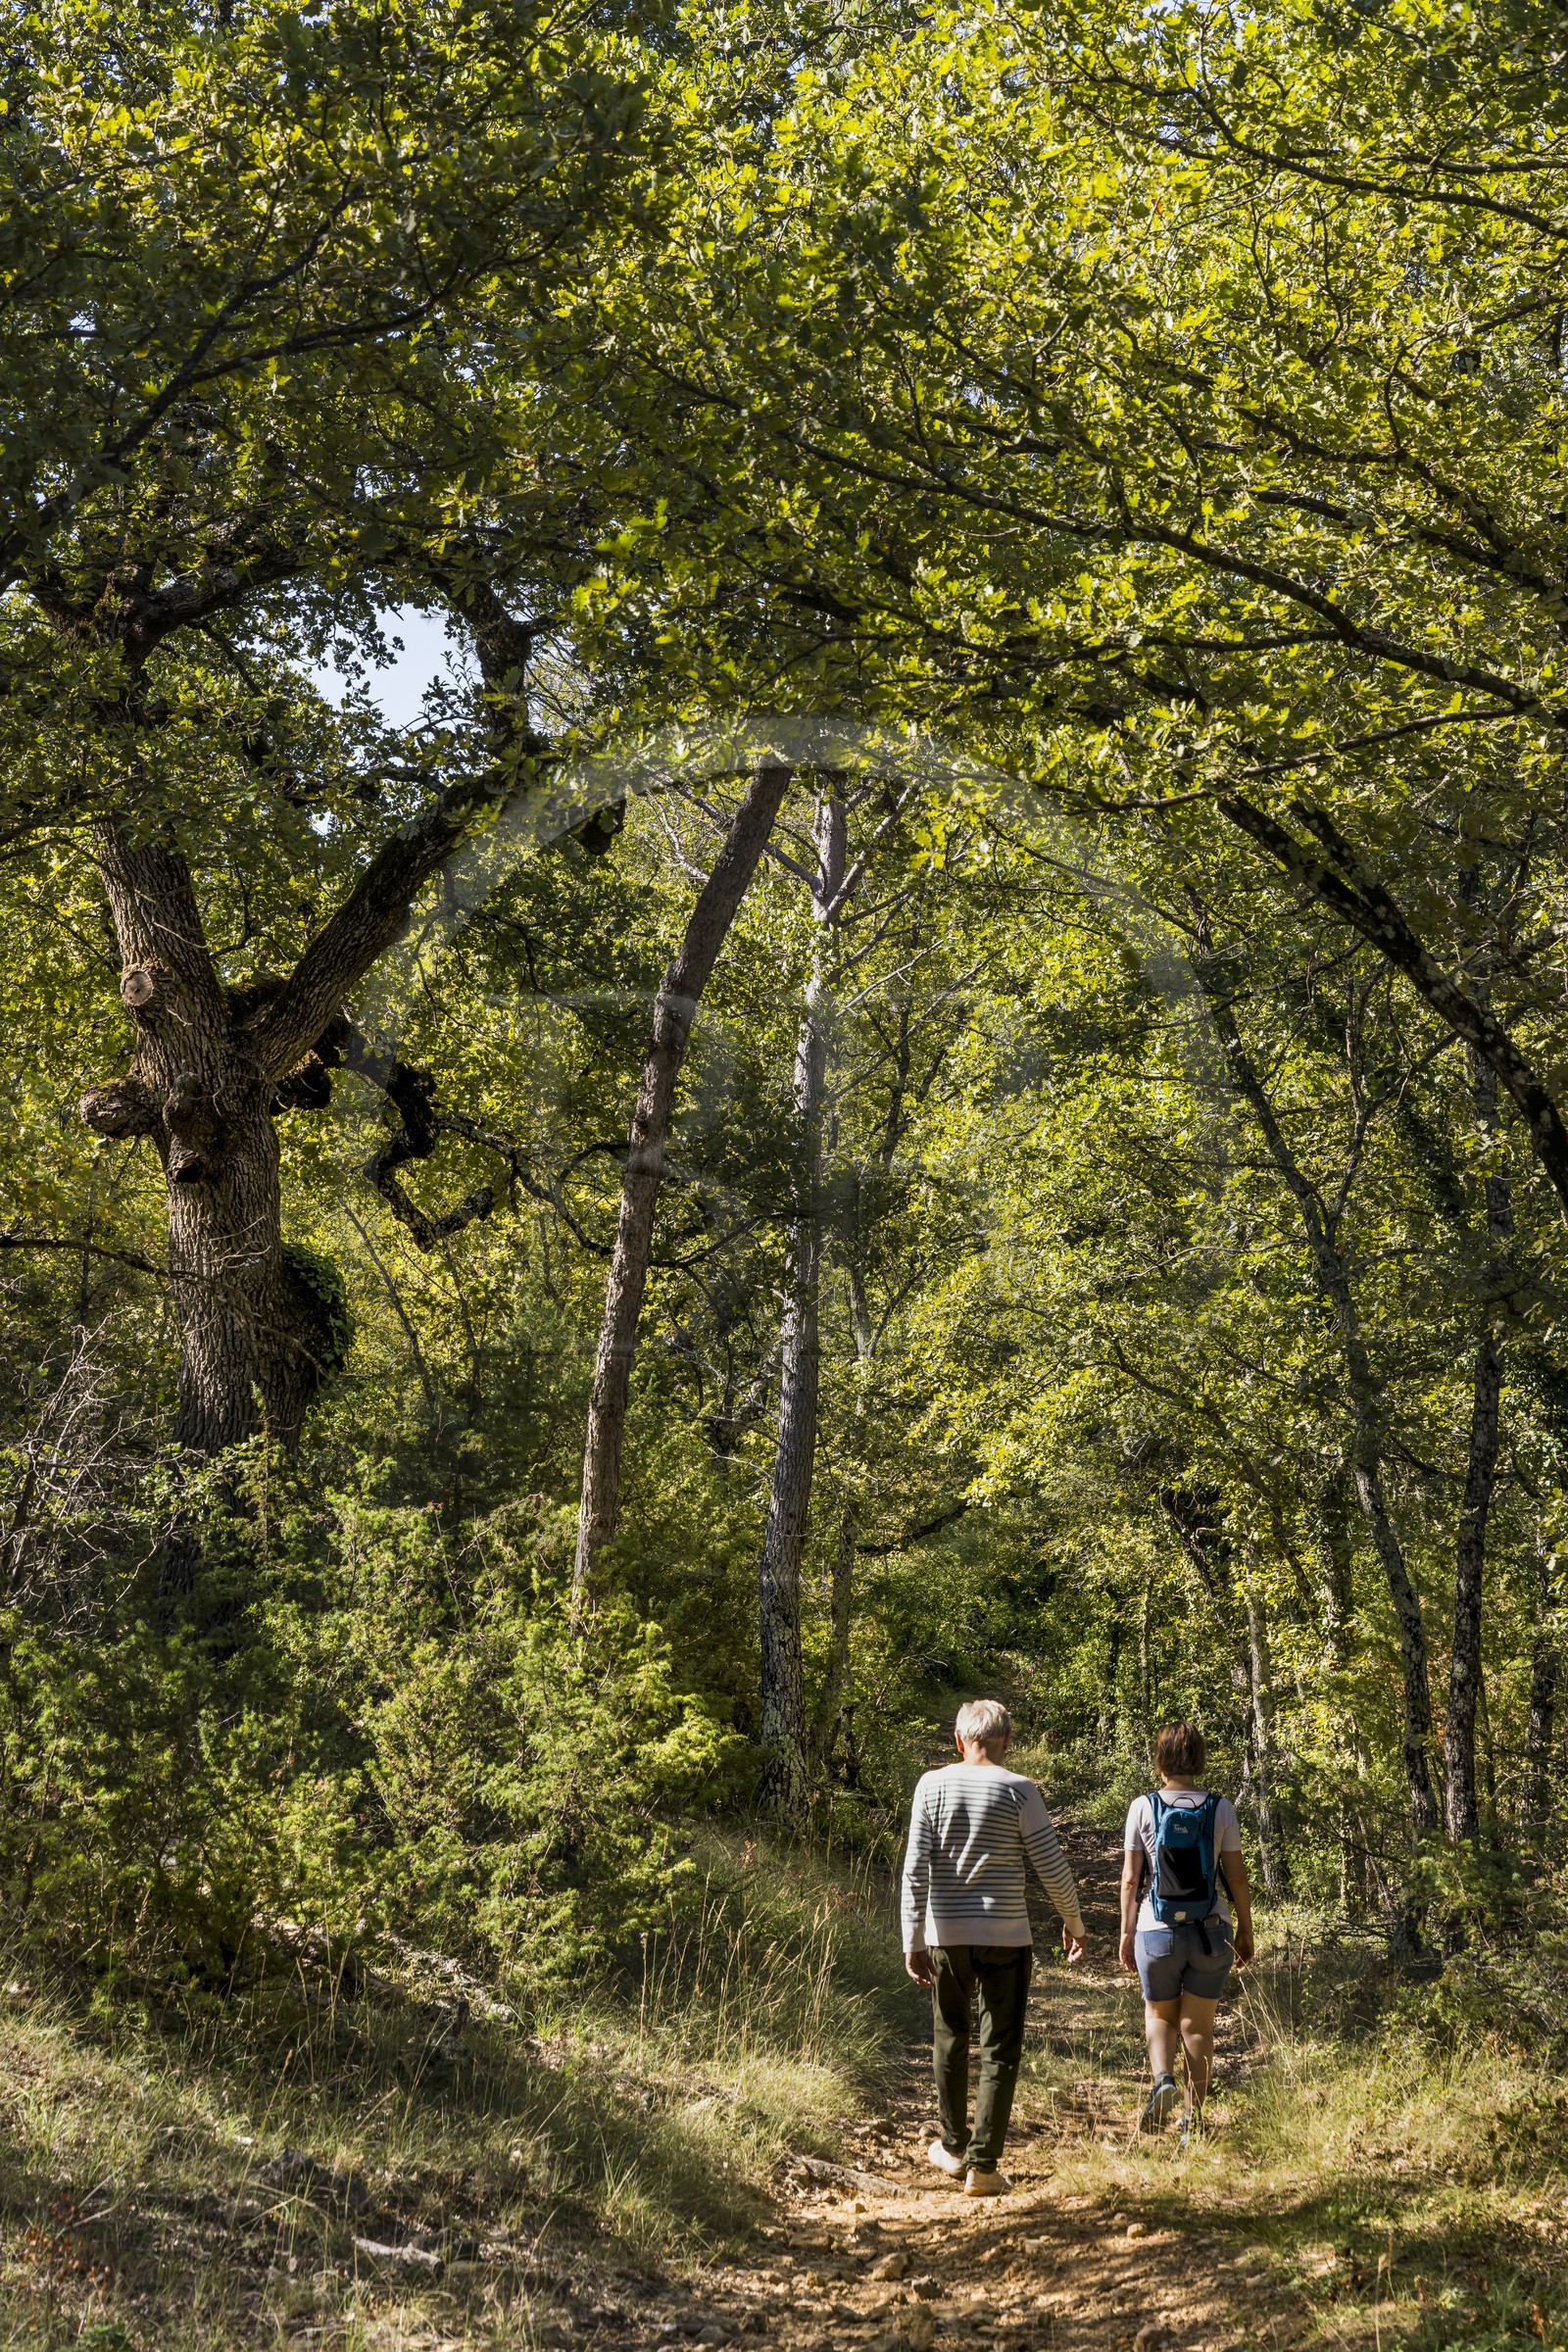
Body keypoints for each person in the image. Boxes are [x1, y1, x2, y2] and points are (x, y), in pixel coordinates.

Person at [901, 1698, 1087, 2197]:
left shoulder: (930, 1785)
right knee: (1000, 2047)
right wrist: (1074, 1922)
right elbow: (1051, 1865)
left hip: (948, 1937)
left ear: (959, 1740)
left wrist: (912, 1939)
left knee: (950, 2037)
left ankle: (953, 2145)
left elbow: (916, 1868)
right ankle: (983, 2167)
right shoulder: (1019, 1790)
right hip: (1006, 1936)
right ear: (1006, 1742)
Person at [1119, 1721, 1255, 2144]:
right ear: (1199, 1759)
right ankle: (1193, 2121)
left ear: (1159, 1762)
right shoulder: (1221, 1807)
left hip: (1155, 1931)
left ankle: (1163, 2080)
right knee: (1198, 2027)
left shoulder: (1142, 1807)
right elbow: (1236, 1879)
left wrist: (1126, 1933)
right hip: (1212, 1932)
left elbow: (1129, 1879)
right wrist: (1246, 1930)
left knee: (1160, 2014)